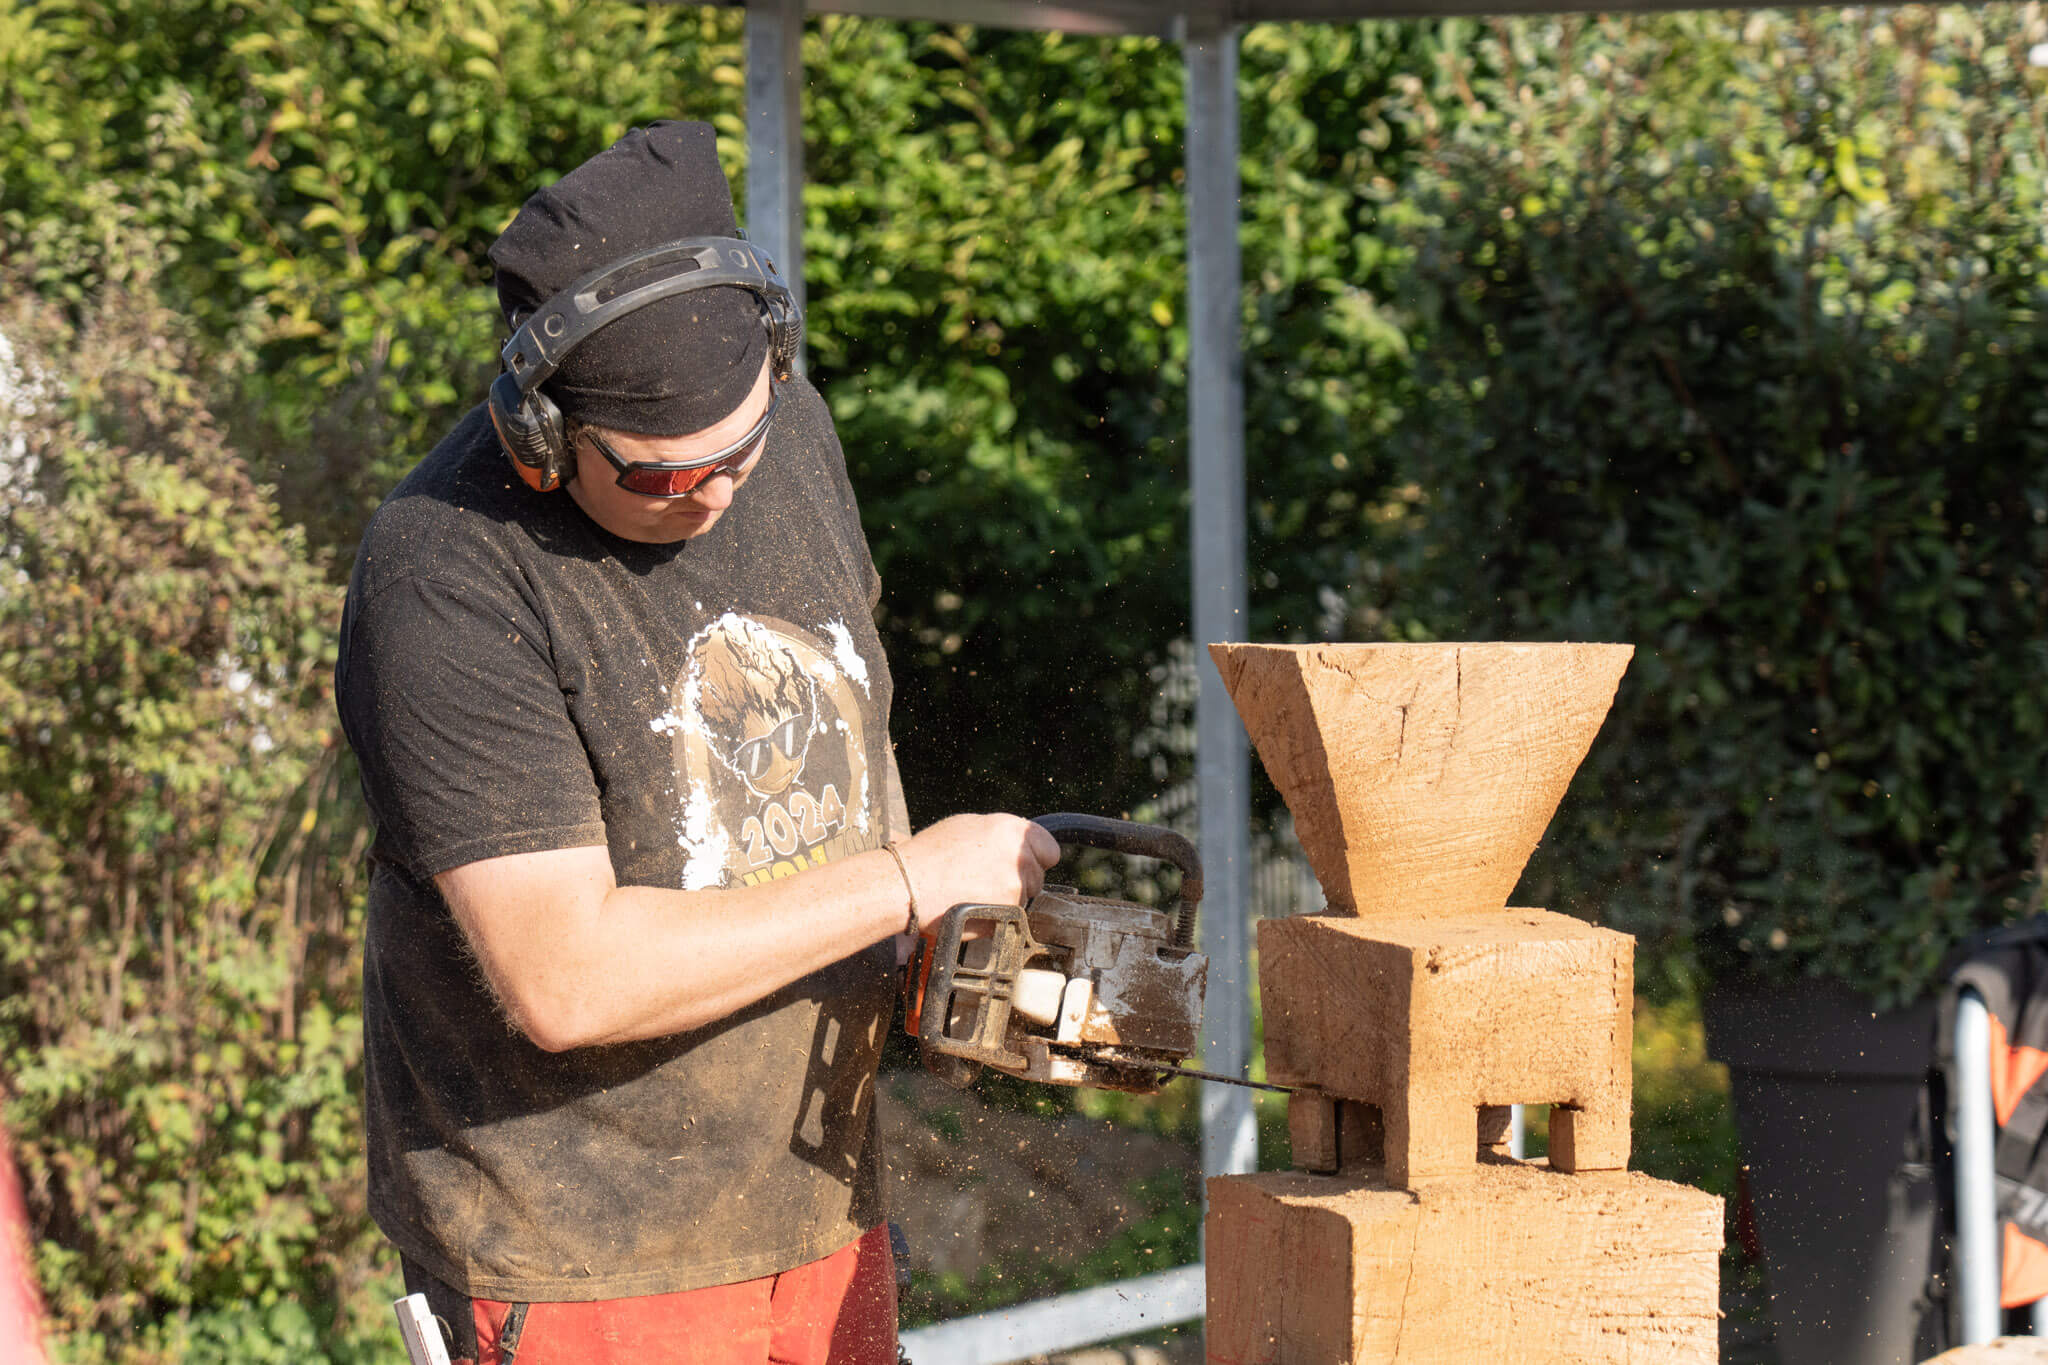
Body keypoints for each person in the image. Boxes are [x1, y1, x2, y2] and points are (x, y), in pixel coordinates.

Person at [335, 120, 1058, 1365]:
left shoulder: (786, 440)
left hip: (814, 1203)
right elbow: (566, 980)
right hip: (581, 1253)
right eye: (664, 479)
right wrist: (907, 876)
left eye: (743, 446)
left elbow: (850, 719)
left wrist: (932, 946)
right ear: (542, 436)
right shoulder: (443, 572)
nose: (719, 494)